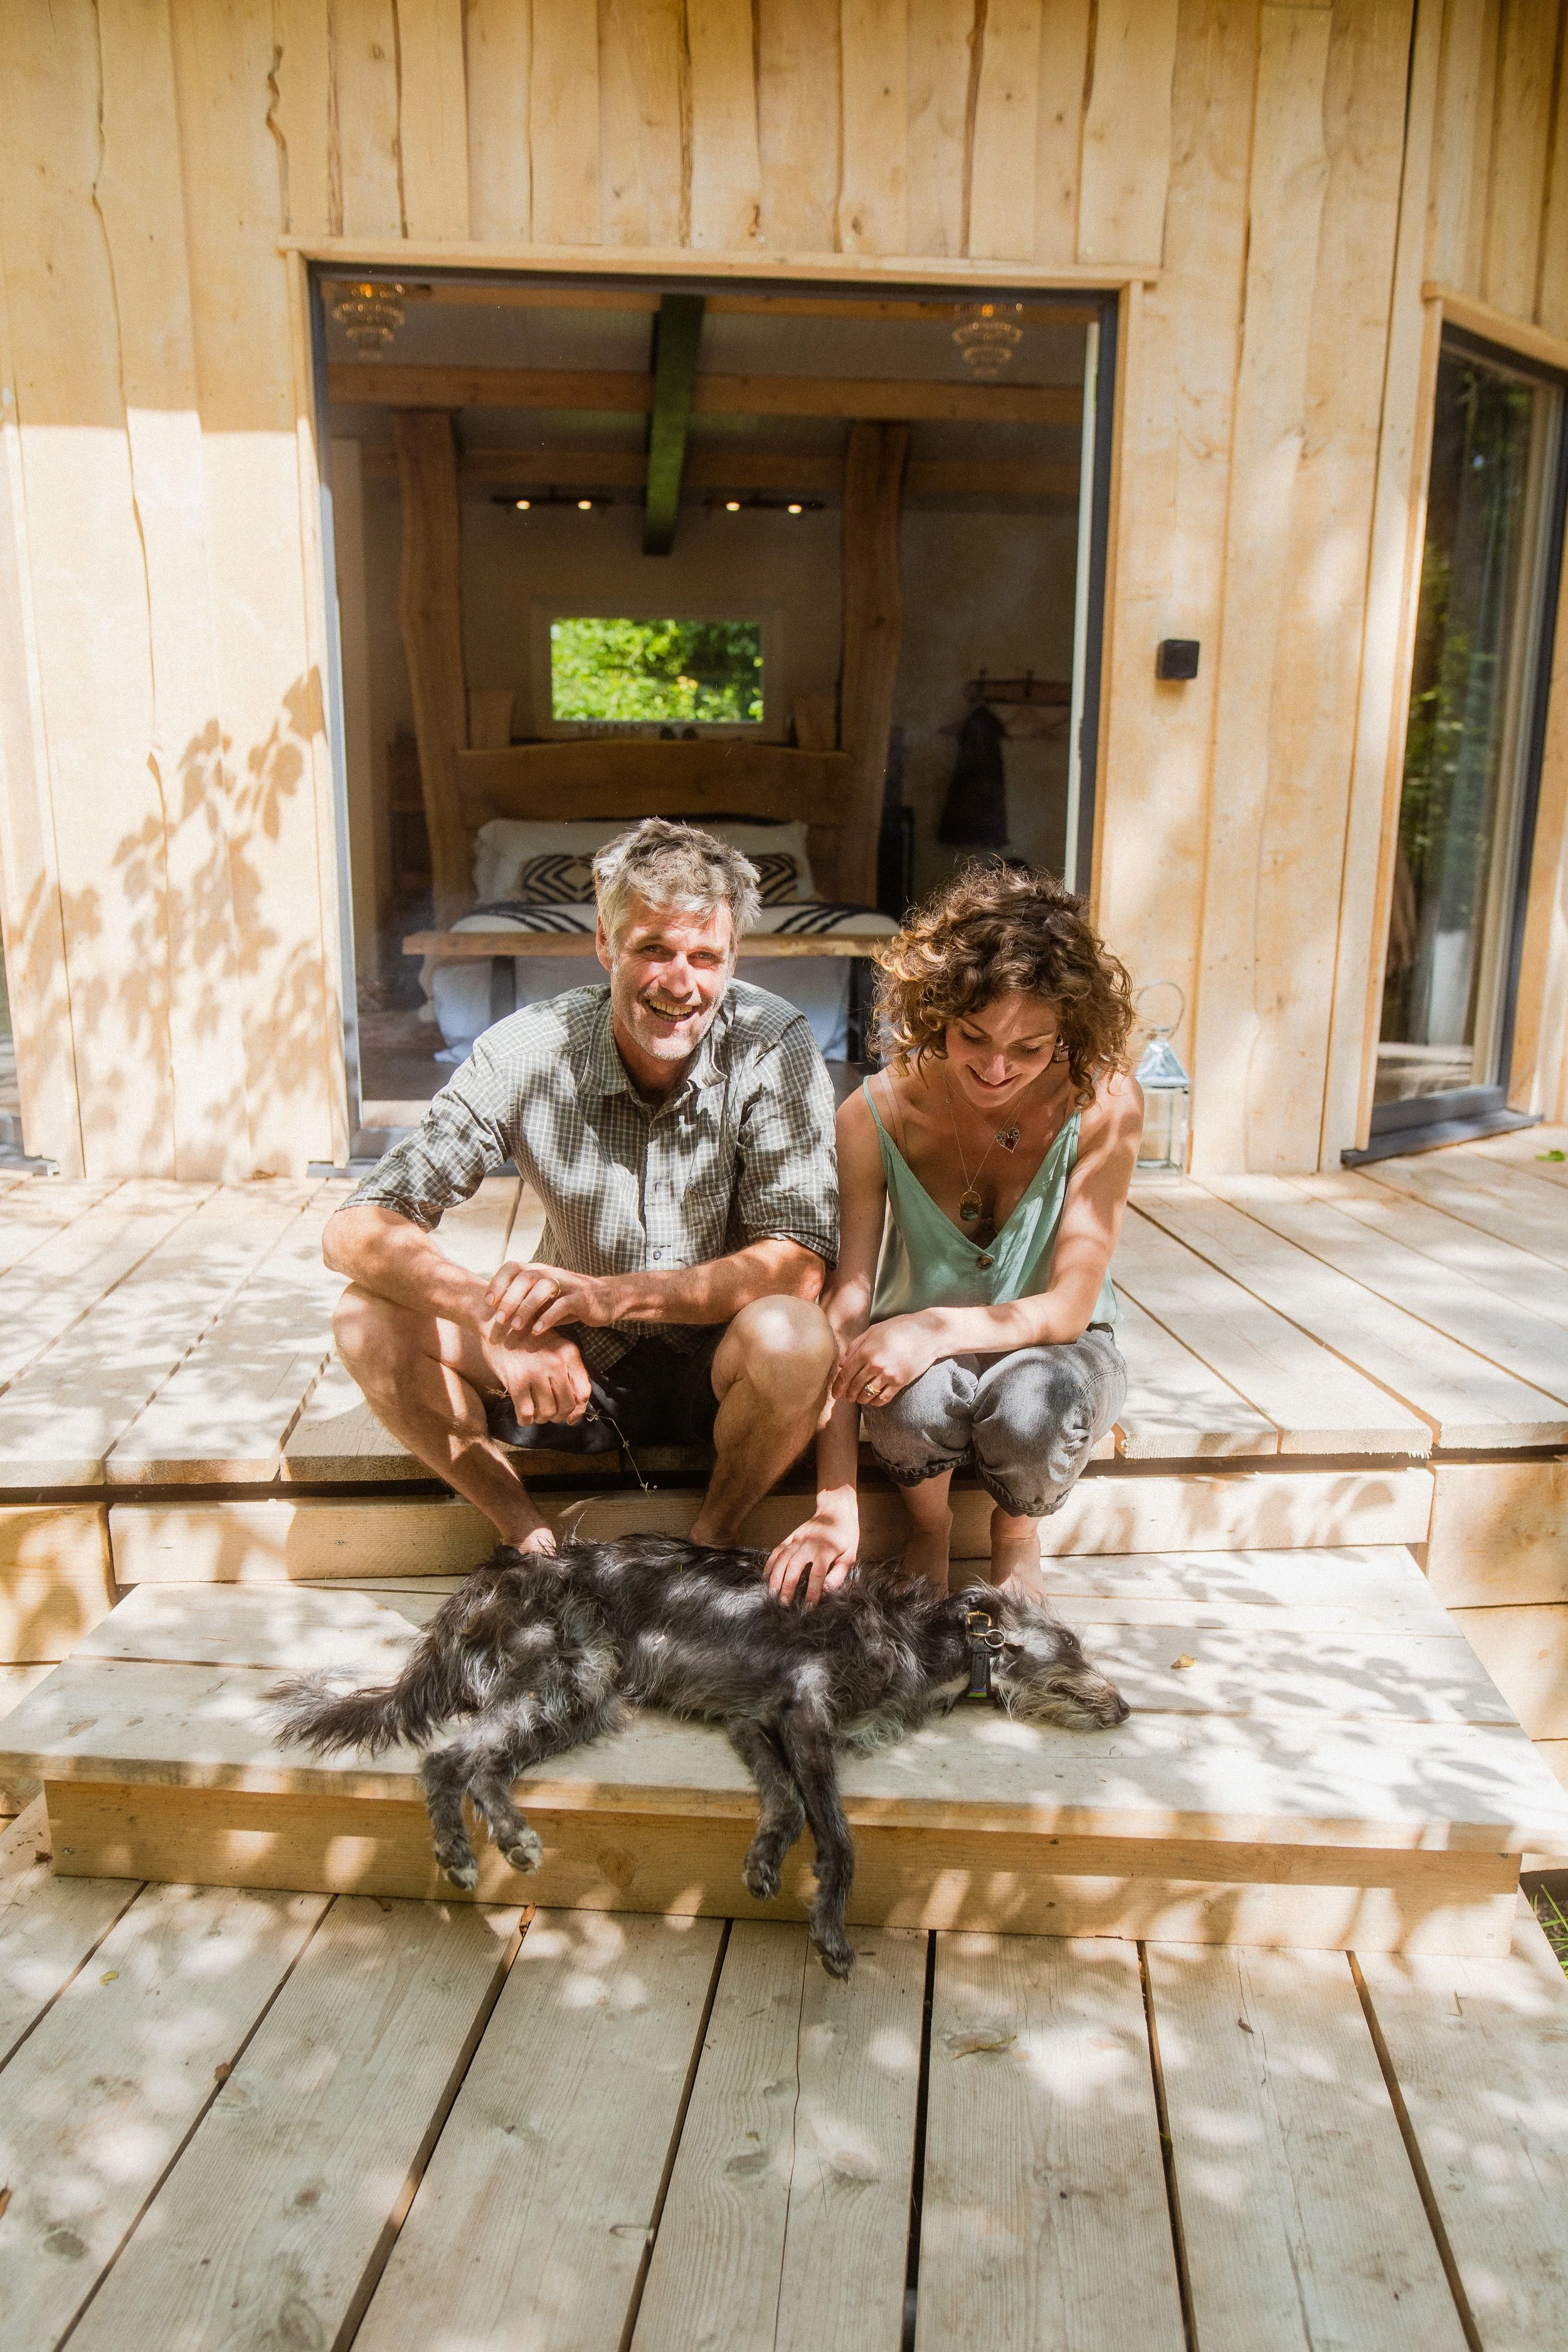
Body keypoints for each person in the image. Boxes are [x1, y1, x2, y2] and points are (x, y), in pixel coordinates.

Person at [326, 818, 839, 1559]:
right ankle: (525, 1540)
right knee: (364, 1319)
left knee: (795, 1333)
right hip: (567, 1368)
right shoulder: (526, 1050)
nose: (679, 982)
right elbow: (355, 1226)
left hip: (721, 1370)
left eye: (704, 956)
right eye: (652, 949)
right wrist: (497, 1318)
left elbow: (796, 1264)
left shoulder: (775, 1042)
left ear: (733, 957)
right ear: (604, 942)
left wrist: (609, 1294)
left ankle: (711, 1545)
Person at [766, 861, 1141, 1604]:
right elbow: (848, 1301)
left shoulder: (1104, 1103)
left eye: (1031, 1049)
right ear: (937, 1009)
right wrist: (835, 1496)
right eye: (973, 1036)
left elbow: (1068, 1307)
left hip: (1059, 1349)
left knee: (1034, 1405)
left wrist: (933, 1326)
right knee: (909, 1405)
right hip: (918, 1359)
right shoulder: (873, 1115)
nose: (997, 1069)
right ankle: (930, 1527)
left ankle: (1015, 1533)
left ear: (1068, 1031)